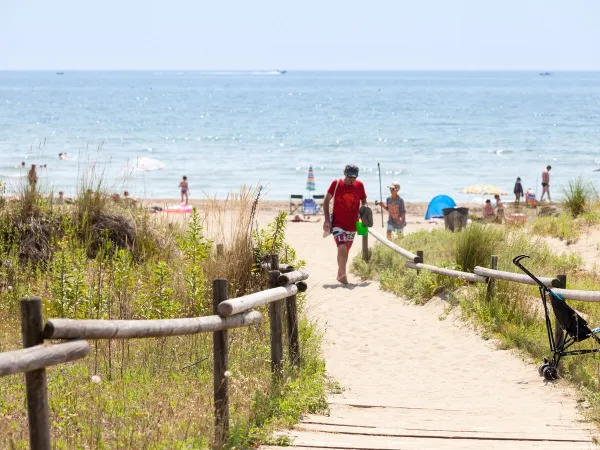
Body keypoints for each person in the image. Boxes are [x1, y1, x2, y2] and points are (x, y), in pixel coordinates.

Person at [323, 164, 367, 285]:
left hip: (353, 224)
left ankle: (339, 273)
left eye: (354, 177)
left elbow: (364, 201)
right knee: (341, 247)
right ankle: (343, 275)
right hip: (338, 224)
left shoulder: (360, 185)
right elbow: (326, 200)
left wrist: (364, 214)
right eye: (349, 176)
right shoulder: (336, 183)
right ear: (344, 173)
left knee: (346, 250)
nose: (352, 179)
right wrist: (327, 219)